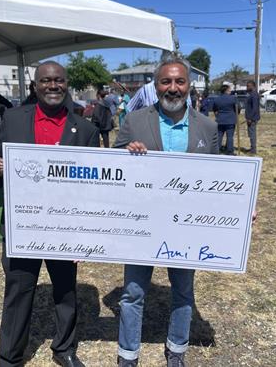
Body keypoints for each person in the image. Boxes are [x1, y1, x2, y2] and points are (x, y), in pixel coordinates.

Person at [0, 61, 99, 367]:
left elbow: (92, 188)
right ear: (35, 85)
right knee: (18, 292)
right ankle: (9, 358)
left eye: (59, 80)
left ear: (66, 84)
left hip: (64, 227)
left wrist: (83, 232)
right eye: (46, 81)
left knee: (65, 291)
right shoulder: (13, 118)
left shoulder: (86, 129)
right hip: (24, 224)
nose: (53, 86)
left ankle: (64, 350)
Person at [113, 54, 218, 367]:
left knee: (183, 292)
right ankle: (127, 355)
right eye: (166, 81)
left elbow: (219, 178)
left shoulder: (207, 126)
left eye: (179, 81)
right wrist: (126, 153)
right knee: (132, 293)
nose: (173, 88)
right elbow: (114, 165)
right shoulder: (134, 121)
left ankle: (176, 350)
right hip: (142, 222)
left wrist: (240, 211)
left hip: (185, 226)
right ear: (156, 85)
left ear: (189, 85)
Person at [212, 84, 237, 155]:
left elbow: (214, 109)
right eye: (229, 90)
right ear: (226, 90)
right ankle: (229, 151)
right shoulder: (232, 98)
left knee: (219, 136)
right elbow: (238, 108)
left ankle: (217, 150)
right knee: (229, 137)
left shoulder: (217, 99)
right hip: (230, 120)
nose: (230, 91)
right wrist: (235, 114)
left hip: (220, 120)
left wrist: (217, 115)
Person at [244, 80, 260, 154]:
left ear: (253, 86)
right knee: (250, 133)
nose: (247, 87)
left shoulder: (254, 95)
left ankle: (253, 150)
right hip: (250, 117)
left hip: (252, 118)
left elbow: (255, 108)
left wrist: (250, 118)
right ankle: (252, 148)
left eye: (248, 86)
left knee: (252, 133)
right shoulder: (250, 94)